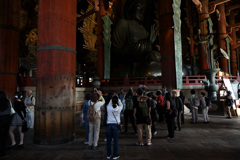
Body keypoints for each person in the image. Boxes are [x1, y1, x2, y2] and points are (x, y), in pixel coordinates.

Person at [106, 95, 123, 160]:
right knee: (115, 140)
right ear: (117, 101)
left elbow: (110, 102)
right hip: (116, 125)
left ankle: (108, 155)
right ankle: (115, 155)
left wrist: (112, 98)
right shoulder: (119, 108)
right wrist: (118, 99)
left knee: (108, 141)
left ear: (111, 101)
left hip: (109, 125)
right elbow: (121, 104)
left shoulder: (108, 107)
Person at [0, 91, 12, 157]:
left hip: (0, 118)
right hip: (7, 119)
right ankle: (3, 150)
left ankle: (1, 150)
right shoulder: (9, 102)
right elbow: (11, 111)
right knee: (4, 136)